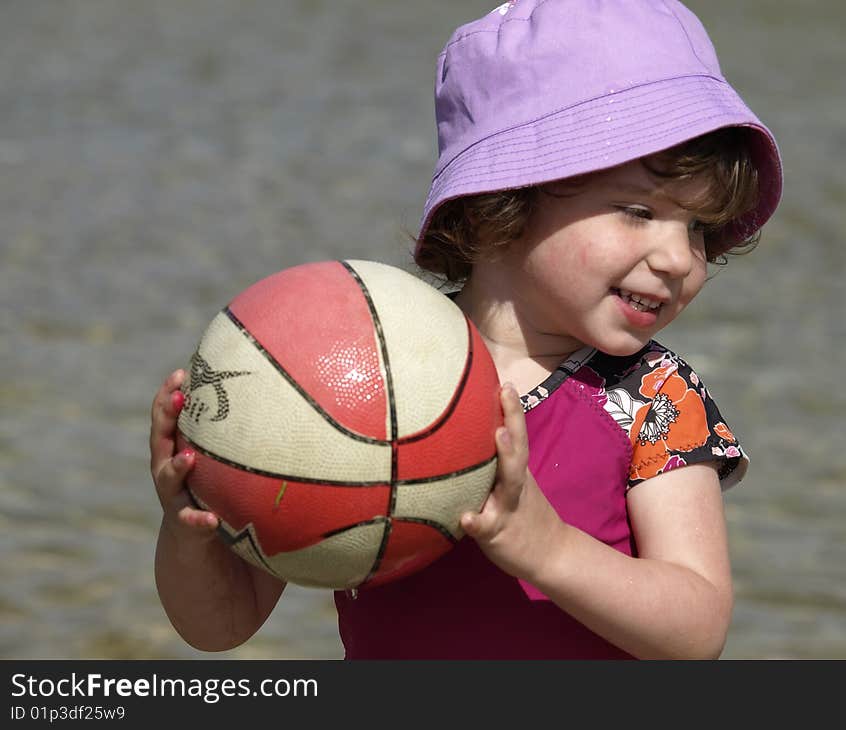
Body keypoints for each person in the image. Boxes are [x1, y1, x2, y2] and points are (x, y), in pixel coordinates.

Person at [150, 0, 782, 659]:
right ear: (500, 203)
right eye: (637, 211)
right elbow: (221, 627)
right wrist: (187, 527)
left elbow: (696, 629)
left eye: (700, 230)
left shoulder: (654, 396)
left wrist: (551, 549)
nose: (681, 259)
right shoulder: (372, 369)